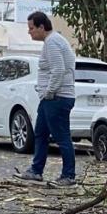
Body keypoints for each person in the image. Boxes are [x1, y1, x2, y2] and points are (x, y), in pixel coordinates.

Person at [15, 11, 77, 185]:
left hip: (57, 98)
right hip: (49, 99)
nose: (29, 32)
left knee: (62, 136)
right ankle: (36, 170)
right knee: (40, 133)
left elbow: (59, 69)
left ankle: (68, 175)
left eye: (31, 28)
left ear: (42, 27)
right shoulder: (52, 42)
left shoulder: (53, 42)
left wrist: (49, 92)